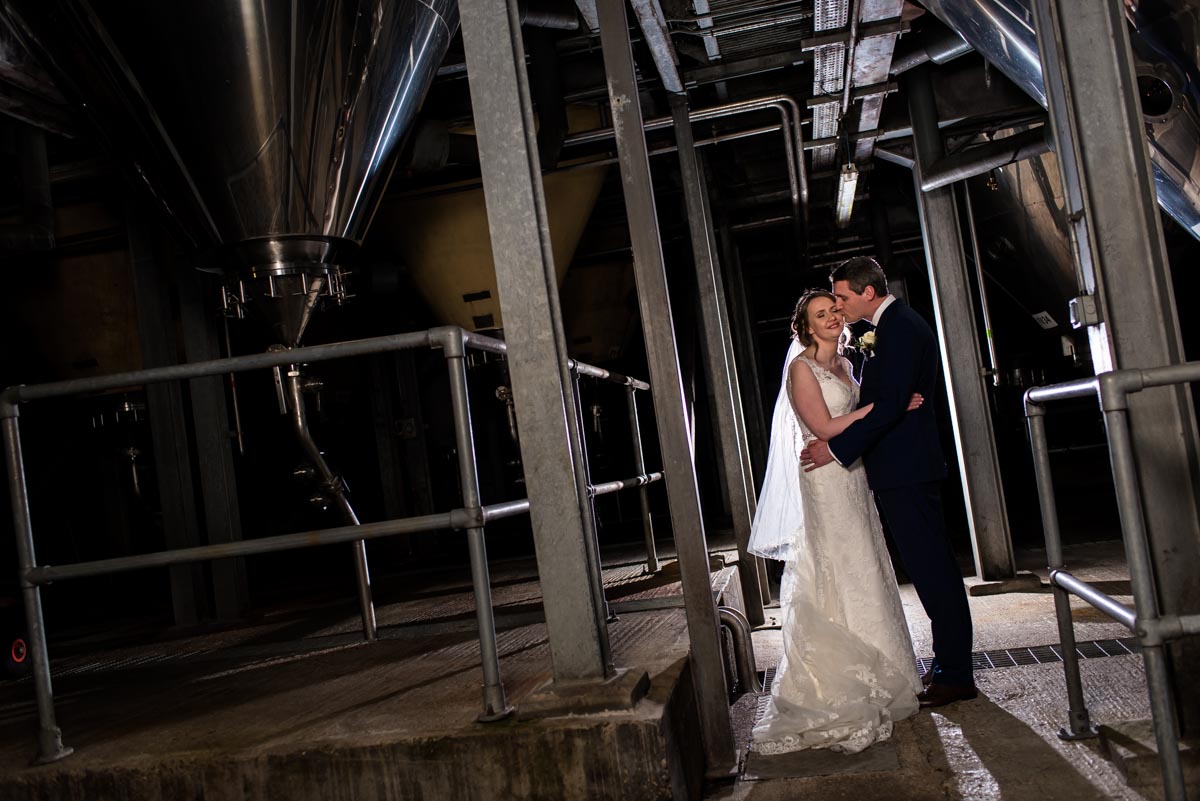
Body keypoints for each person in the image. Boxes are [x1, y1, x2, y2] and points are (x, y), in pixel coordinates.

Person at [747, 288, 922, 756]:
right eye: (819, 315)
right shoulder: (800, 369)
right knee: (841, 563)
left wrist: (880, 410)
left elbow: (854, 423)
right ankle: (841, 677)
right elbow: (823, 429)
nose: (829, 319)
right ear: (804, 326)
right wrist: (887, 408)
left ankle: (891, 665)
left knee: (867, 562)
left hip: (854, 476)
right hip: (824, 479)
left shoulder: (846, 365)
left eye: (833, 312)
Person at [802, 256, 977, 709]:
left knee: (933, 569)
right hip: (902, 467)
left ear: (867, 292)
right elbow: (889, 401)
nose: (839, 308)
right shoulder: (887, 327)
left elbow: (893, 401)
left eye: (841, 297)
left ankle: (955, 673)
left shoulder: (899, 326)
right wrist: (890, 404)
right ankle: (947, 664)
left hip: (908, 468)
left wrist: (836, 449)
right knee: (928, 568)